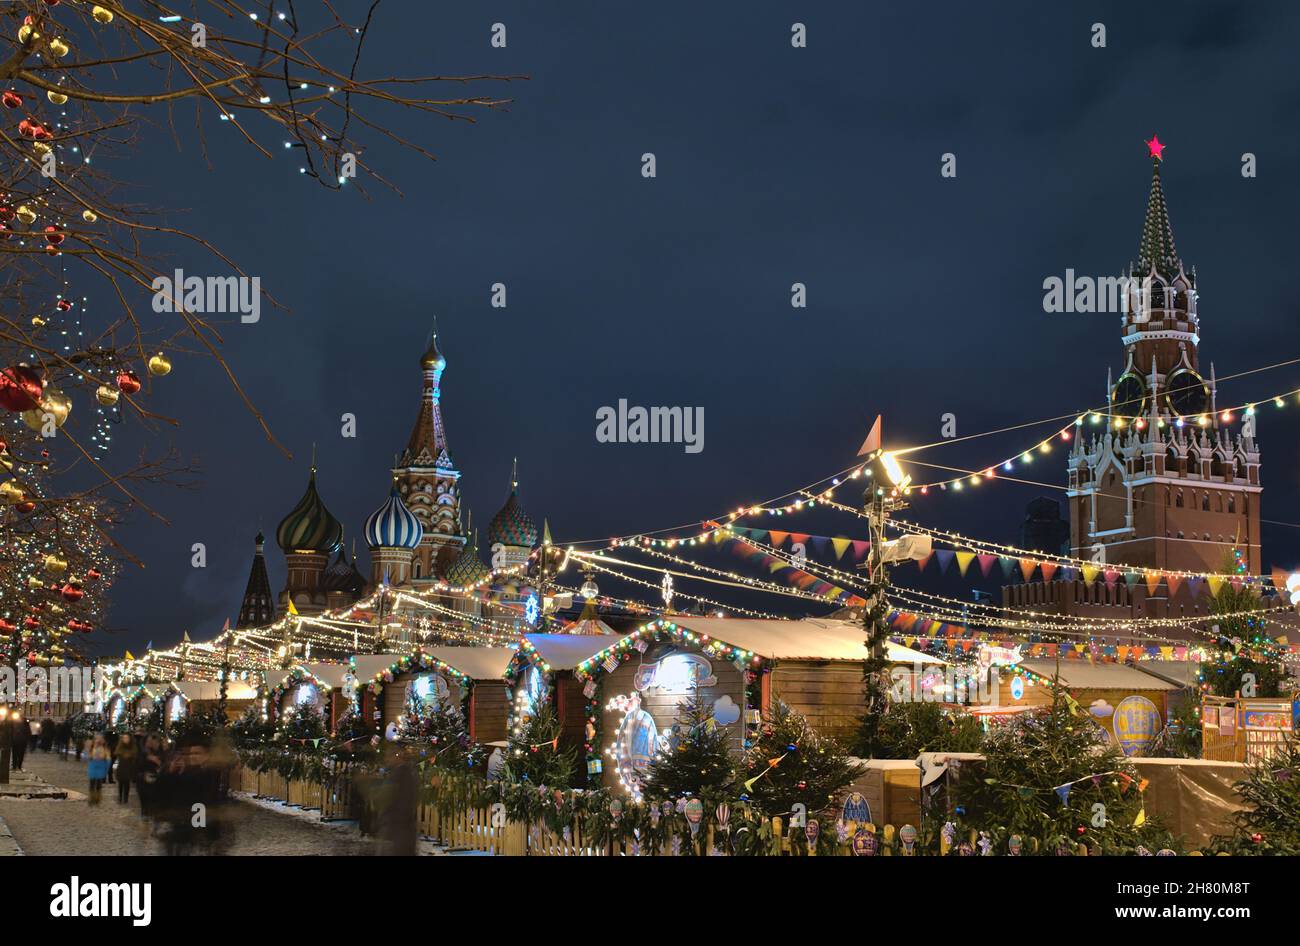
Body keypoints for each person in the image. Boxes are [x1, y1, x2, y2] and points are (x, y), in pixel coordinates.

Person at [86, 734, 111, 805]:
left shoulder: (105, 748)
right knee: (92, 783)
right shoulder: (92, 747)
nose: (98, 740)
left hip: (101, 767)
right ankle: (91, 798)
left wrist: (106, 767)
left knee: (98, 784)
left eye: (99, 739)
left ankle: (97, 798)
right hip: (93, 767)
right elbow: (87, 756)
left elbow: (108, 759)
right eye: (96, 739)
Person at [114, 733, 139, 804]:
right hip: (121, 768)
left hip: (129, 768)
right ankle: (120, 797)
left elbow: (135, 756)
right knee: (121, 784)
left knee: (127, 784)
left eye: (127, 738)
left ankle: (125, 798)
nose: (125, 739)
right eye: (124, 738)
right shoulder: (120, 747)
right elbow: (117, 756)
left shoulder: (133, 747)